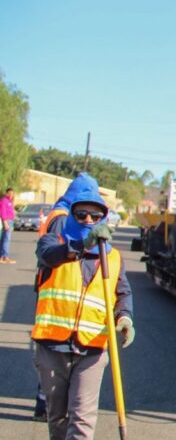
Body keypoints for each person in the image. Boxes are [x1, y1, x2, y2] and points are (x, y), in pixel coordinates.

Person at [32, 182, 134, 440]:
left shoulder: (113, 256)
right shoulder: (54, 243)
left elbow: (122, 293)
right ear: (72, 215)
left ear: (104, 218)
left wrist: (124, 317)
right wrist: (80, 246)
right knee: (57, 413)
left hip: (92, 348)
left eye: (95, 215)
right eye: (82, 214)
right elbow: (49, 256)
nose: (89, 220)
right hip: (52, 345)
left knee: (83, 414)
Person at [32, 173, 98, 421]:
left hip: (51, 287)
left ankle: (47, 405)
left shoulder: (58, 212)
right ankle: (45, 406)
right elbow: (58, 254)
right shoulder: (63, 218)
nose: (89, 218)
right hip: (58, 295)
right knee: (54, 356)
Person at [0, 187, 15, 264]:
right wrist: (5, 222)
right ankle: (5, 257)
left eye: (12, 193)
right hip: (7, 221)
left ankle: (2, 257)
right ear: (6, 193)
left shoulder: (9, 202)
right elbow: (3, 212)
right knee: (6, 239)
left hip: (10, 221)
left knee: (4, 239)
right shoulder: (4, 201)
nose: (11, 195)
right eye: (9, 193)